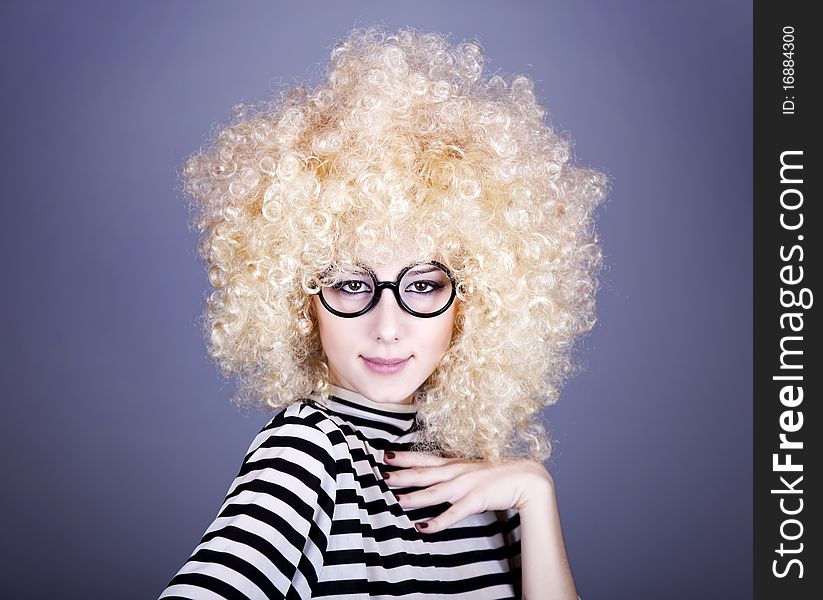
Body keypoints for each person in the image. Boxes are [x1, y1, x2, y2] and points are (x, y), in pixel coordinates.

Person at [160, 24, 606, 600]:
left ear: (471, 302)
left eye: (422, 285)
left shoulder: (488, 474)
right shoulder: (308, 451)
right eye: (350, 284)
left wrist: (535, 497)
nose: (388, 327)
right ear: (302, 299)